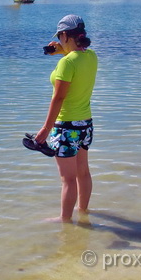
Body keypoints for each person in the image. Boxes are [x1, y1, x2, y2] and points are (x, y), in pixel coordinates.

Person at [34, 14, 98, 222]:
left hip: (65, 127)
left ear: (64, 35)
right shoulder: (91, 56)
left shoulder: (67, 64)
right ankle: (83, 212)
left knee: (68, 180)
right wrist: (63, 51)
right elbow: (76, 57)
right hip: (85, 124)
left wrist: (45, 128)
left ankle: (66, 223)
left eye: (60, 38)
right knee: (83, 173)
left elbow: (59, 97)